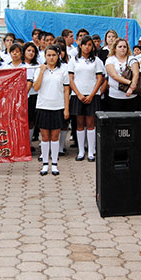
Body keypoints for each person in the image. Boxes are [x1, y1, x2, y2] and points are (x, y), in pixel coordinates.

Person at [33, 45, 70, 176]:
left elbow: (66, 90)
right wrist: (42, 71)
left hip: (58, 107)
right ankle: (44, 164)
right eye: (48, 55)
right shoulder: (39, 69)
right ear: (45, 56)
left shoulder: (63, 69)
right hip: (43, 106)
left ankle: (54, 164)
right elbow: (36, 87)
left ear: (58, 55)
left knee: (55, 137)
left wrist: (66, 108)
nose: (51, 57)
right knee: (44, 137)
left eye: (54, 55)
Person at [68, 35, 104, 162]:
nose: (87, 47)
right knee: (80, 123)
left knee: (91, 123)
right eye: (84, 44)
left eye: (89, 45)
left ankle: (91, 152)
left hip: (93, 96)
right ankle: (81, 151)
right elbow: (71, 79)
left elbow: (100, 78)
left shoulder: (97, 61)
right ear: (80, 45)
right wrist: (78, 94)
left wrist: (92, 94)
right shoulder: (74, 60)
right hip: (78, 96)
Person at [105, 38, 141, 111]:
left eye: (124, 47)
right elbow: (114, 75)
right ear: (115, 48)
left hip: (131, 96)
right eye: (120, 47)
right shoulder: (110, 60)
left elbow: (136, 73)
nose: (122, 48)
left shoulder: (132, 59)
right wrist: (129, 82)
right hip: (115, 96)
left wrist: (132, 88)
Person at [23, 42, 40, 150]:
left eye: (33, 51)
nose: (31, 53)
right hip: (19, 97)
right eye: (28, 50)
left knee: (31, 120)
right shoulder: (19, 64)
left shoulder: (37, 66)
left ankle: (28, 144)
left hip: (33, 95)